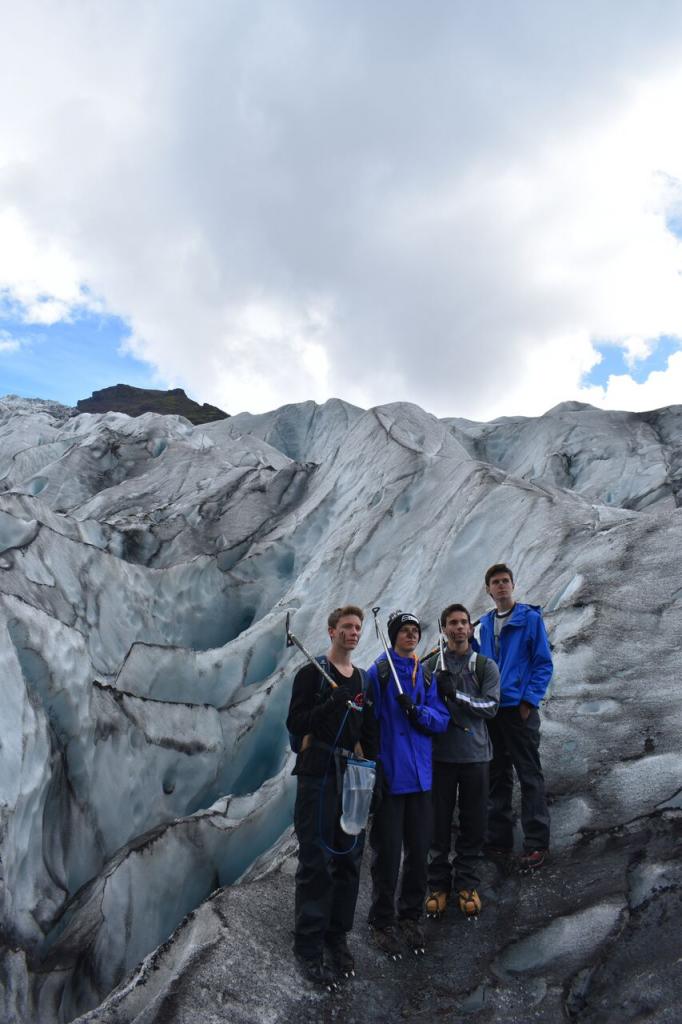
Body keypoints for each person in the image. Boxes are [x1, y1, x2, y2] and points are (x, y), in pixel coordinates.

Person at [286, 605, 379, 985]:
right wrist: (331, 702)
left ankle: (335, 937)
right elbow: (296, 723)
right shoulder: (311, 675)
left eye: (357, 627)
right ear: (331, 631)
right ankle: (308, 945)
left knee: (348, 859)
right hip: (318, 774)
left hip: (352, 774)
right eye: (346, 627)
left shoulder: (362, 680)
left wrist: (371, 767)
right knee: (316, 858)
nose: (353, 632)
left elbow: (368, 730)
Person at [365, 611, 449, 957]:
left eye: (415, 631)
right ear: (393, 635)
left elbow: (441, 719)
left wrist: (418, 713)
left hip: (420, 778)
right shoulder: (379, 673)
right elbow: (366, 723)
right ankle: (382, 919)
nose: (411, 635)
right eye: (404, 631)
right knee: (386, 853)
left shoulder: (425, 676)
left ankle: (410, 914)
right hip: (391, 775)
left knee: (418, 850)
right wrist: (374, 768)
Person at [426, 603, 500, 918]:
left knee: (474, 822)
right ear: (443, 629)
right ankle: (438, 884)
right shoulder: (432, 666)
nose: (459, 628)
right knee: (437, 824)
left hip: (475, 756)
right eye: (452, 623)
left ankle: (467, 882)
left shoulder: (485, 666)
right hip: (441, 756)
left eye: (463, 623)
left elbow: (492, 707)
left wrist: (456, 696)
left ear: (470, 628)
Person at [477, 564, 553, 870]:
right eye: (495, 582)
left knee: (528, 773)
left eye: (505, 581)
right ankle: (499, 840)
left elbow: (543, 664)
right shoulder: (483, 624)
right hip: (493, 711)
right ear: (488, 589)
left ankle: (536, 843)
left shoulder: (529, 619)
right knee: (497, 775)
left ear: (513, 585)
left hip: (518, 710)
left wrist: (528, 701)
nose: (501, 586)